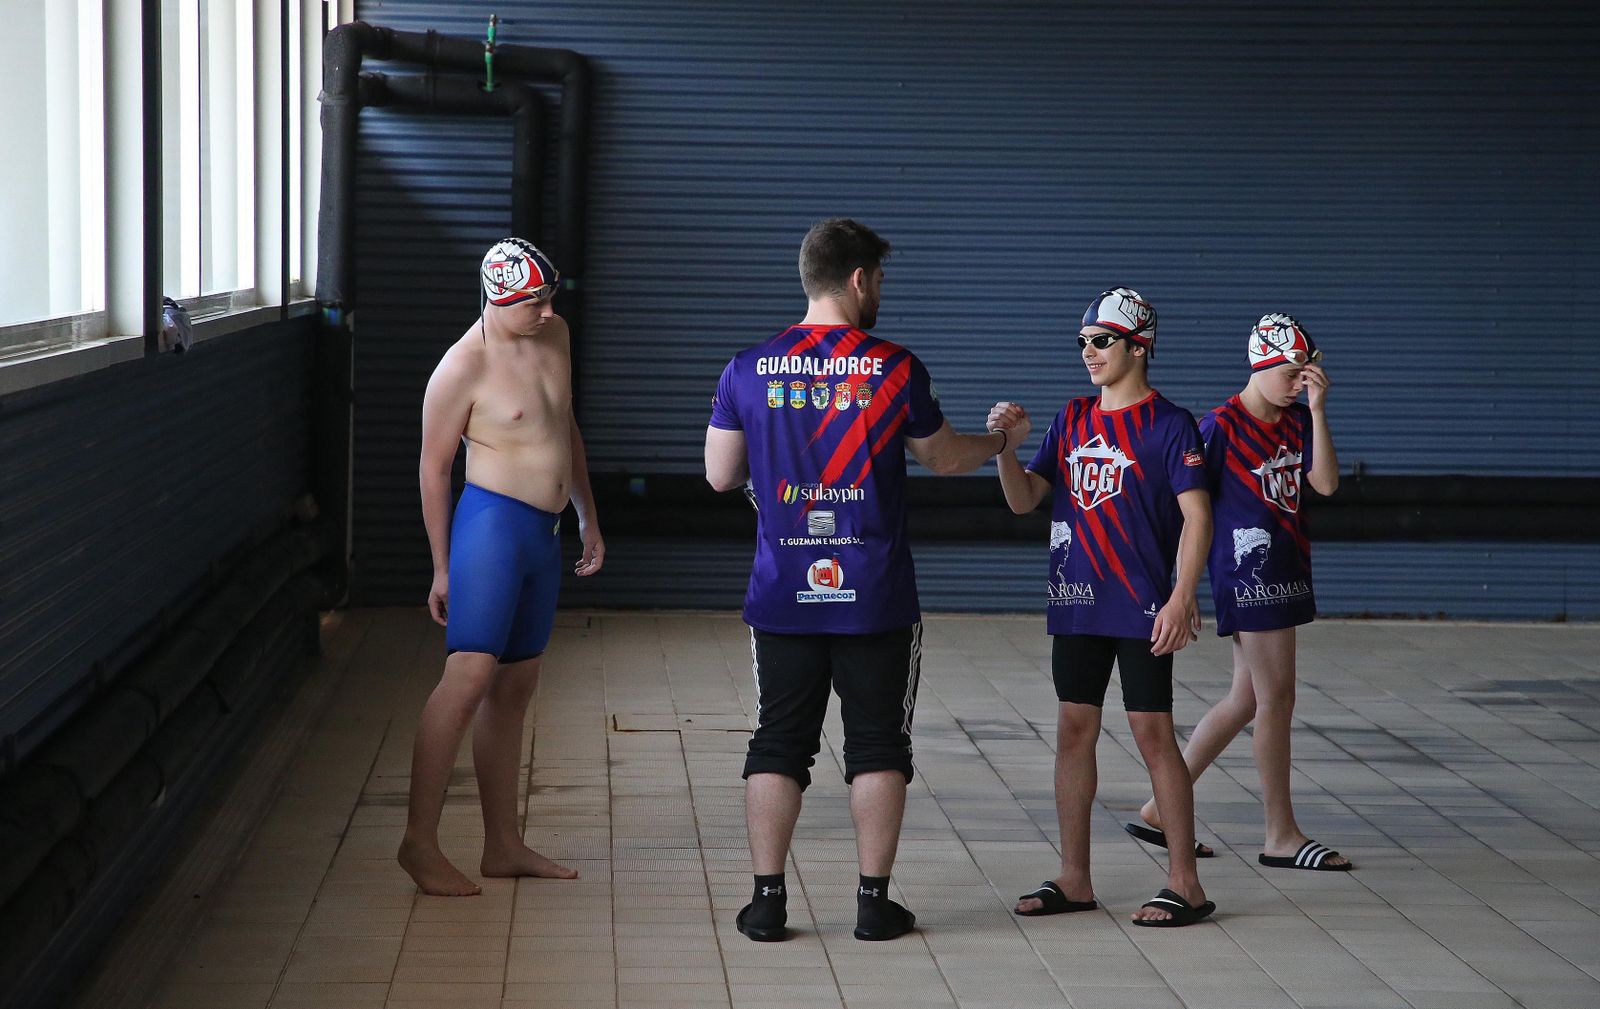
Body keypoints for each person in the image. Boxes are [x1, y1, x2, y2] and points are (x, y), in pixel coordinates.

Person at [704, 218, 1012, 942]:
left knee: (778, 740)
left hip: (783, 590)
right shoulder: (895, 368)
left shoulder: (747, 368)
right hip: (873, 593)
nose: (880, 292)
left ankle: (768, 900)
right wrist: (1004, 440)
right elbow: (943, 458)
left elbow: (720, 475)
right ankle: (873, 902)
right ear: (857, 279)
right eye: (879, 279)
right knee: (877, 743)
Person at [989, 287, 1217, 927]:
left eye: (1101, 341)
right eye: (1082, 341)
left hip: (1143, 604)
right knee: (1072, 730)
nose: (1087, 352)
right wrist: (1006, 448)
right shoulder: (1070, 418)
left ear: (1138, 346)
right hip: (1077, 600)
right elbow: (1024, 499)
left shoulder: (1172, 425)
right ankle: (1076, 877)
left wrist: (1181, 594)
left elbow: (1198, 516)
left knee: (1152, 733)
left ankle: (1185, 883)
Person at [398, 237, 605, 896]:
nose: (545, 311)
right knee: (468, 675)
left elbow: (562, 423)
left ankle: (502, 844)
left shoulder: (556, 333)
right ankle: (419, 842)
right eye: (533, 303)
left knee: (515, 687)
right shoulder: (462, 366)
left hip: (541, 534)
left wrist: (586, 515)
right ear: (496, 297)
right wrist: (441, 566)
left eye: (550, 298)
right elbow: (432, 468)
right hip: (490, 528)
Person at [1130, 313, 1351, 871]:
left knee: (1247, 699)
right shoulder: (1218, 427)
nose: (1301, 383)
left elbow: (1324, 483)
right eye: (1293, 373)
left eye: (1308, 373)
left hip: (1288, 566)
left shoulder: (1297, 420)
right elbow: (1188, 513)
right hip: (1249, 577)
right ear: (1262, 364)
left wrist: (1319, 412)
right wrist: (1186, 587)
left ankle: (1159, 808)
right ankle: (1280, 833)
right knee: (1278, 699)